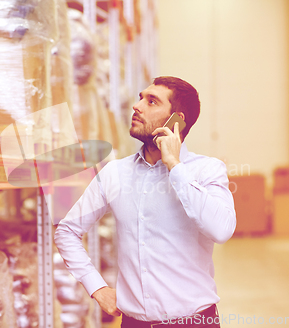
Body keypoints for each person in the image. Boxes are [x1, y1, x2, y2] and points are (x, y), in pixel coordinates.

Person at [54, 76, 236, 327]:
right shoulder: (115, 173)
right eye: (141, 98)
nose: (137, 106)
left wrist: (174, 165)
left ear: (177, 121)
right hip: (134, 323)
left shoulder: (206, 170)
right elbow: (67, 230)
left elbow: (222, 229)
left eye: (152, 102)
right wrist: (97, 288)